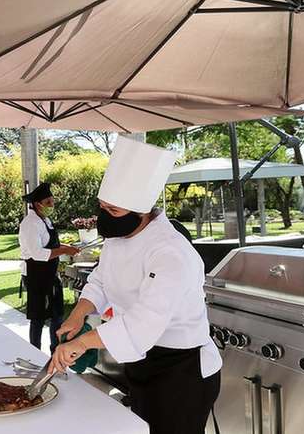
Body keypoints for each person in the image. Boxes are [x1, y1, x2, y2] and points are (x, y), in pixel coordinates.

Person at [50, 136, 222, 434]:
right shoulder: (119, 237)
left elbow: (143, 323)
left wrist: (82, 343)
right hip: (143, 363)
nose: (105, 217)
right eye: (102, 207)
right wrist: (79, 313)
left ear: (142, 211)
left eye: (114, 211)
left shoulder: (170, 252)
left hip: (182, 370)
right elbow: (101, 280)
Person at [18, 182, 80, 353]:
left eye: (52, 201)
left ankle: (55, 351)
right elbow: (38, 253)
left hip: (50, 275)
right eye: (48, 202)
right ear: (37, 204)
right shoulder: (30, 224)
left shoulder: (45, 220)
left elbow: (52, 245)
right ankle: (34, 353)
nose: (52, 205)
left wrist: (68, 247)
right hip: (35, 276)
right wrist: (65, 250)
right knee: (38, 318)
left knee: (57, 315)